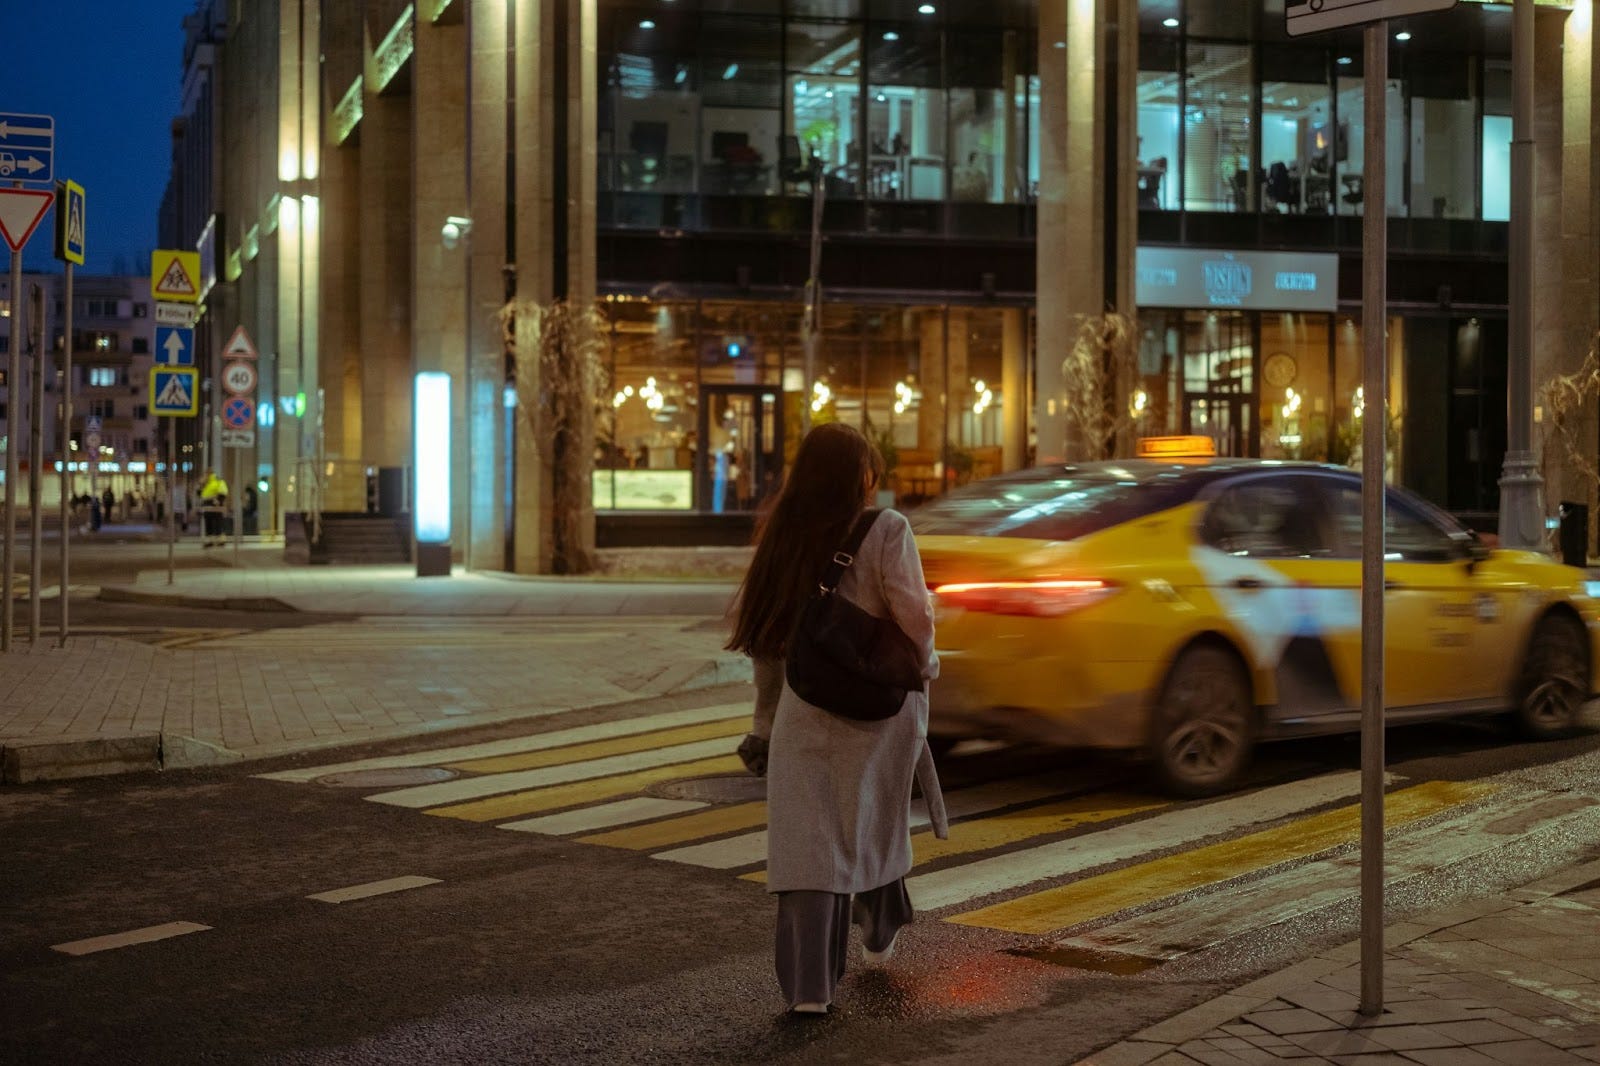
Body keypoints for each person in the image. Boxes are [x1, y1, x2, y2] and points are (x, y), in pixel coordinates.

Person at [725, 422, 944, 1016]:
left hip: (804, 708)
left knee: (808, 845)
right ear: (861, 475)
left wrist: (764, 723)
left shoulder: (783, 536)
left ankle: (807, 990)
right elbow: (914, 619)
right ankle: (878, 924)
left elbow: (766, 645)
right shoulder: (886, 528)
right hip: (877, 709)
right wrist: (926, 667)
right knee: (869, 820)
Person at [199, 469, 229, 547]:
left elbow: (223, 492)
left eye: (206, 474)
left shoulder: (218, 481)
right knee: (209, 523)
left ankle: (220, 540)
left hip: (215, 505)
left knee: (217, 522)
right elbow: (200, 494)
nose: (204, 476)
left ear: (209, 474)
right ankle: (210, 540)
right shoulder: (206, 483)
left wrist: (218, 500)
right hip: (207, 505)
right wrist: (201, 484)